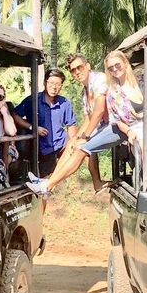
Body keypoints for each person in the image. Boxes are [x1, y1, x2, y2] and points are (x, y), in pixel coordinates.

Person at [31, 52, 110, 195]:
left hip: (115, 123)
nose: (77, 72)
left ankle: (48, 185)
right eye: (73, 70)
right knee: (71, 143)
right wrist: (76, 138)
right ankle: (48, 184)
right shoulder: (84, 92)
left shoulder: (99, 79)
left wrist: (84, 137)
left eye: (80, 67)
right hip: (102, 126)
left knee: (82, 147)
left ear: (88, 66)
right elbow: (87, 119)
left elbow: (99, 111)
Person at [14, 68, 77, 178]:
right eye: (51, 83)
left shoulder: (64, 102)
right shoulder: (33, 100)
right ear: (45, 82)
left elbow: (71, 125)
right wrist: (32, 127)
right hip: (40, 149)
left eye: (58, 84)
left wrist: (72, 144)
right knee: (43, 180)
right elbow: (15, 115)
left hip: (60, 146)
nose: (54, 87)